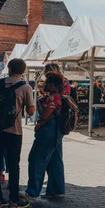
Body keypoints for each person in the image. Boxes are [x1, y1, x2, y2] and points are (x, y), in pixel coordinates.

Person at [0, 58, 35, 208]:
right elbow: (31, 111)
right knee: (14, 165)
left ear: (8, 68)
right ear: (23, 71)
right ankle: (14, 201)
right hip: (14, 131)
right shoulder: (25, 87)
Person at [22, 72, 66, 200]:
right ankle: (57, 190)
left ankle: (32, 191)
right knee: (55, 161)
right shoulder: (59, 97)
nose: (44, 85)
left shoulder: (53, 98)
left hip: (48, 131)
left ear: (52, 85)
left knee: (36, 159)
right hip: (57, 132)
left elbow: (45, 115)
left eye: (46, 82)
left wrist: (40, 105)